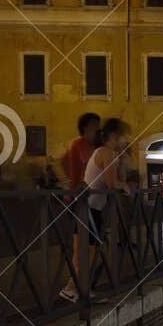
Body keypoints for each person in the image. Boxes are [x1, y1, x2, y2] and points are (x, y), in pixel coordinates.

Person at [69, 119, 133, 298]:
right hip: (90, 209)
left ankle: (76, 290)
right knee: (87, 254)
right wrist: (125, 186)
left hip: (87, 208)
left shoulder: (108, 153)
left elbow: (116, 178)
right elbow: (112, 183)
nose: (125, 141)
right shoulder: (106, 152)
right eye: (123, 137)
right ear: (114, 136)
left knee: (84, 254)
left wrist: (121, 161)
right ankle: (77, 291)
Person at [58, 113, 102, 302]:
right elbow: (70, 167)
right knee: (83, 247)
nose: (97, 129)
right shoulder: (78, 145)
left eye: (98, 126)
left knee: (93, 248)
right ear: (84, 128)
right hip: (81, 200)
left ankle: (83, 288)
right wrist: (73, 188)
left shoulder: (97, 147)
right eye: (93, 126)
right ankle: (71, 288)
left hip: (95, 200)